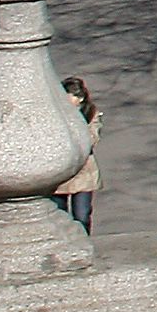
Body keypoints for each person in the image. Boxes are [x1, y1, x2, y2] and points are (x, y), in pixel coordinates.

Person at [55, 76, 101, 229]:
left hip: (83, 173)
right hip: (60, 173)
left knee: (82, 215)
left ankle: (84, 243)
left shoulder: (90, 113)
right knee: (60, 217)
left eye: (77, 97)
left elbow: (92, 139)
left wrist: (77, 120)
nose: (75, 100)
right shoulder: (55, 113)